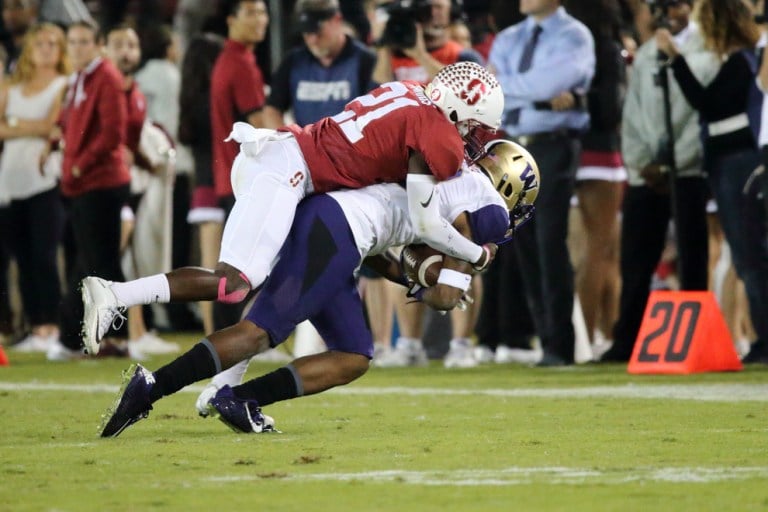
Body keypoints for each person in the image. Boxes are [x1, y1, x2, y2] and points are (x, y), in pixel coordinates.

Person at [97, 139, 540, 437]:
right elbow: (445, 297)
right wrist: (461, 270)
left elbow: (387, 249)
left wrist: (412, 273)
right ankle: (151, 387)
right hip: (338, 229)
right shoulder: (489, 212)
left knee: (353, 353)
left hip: (338, 225)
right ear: (509, 184)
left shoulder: (451, 171)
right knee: (259, 331)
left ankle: (240, 398)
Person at [80, 60, 505, 357]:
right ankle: (114, 295)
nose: (471, 136)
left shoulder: (412, 93)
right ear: (456, 108)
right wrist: (475, 254)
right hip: (287, 171)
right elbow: (425, 220)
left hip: (289, 166)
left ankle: (223, 388)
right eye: (472, 124)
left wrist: (409, 272)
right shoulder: (437, 133)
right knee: (236, 282)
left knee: (264, 282)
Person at [600, 0, 719, 362]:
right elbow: (632, 114)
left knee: (692, 255)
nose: (671, 11)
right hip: (647, 174)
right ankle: (627, 340)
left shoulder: (709, 49)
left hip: (686, 172)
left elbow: (699, 113)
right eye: (664, 5)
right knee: (635, 258)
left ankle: (694, 339)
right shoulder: (649, 53)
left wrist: (678, 163)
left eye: (679, 3)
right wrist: (642, 164)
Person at [657, 0, 768, 364]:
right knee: (743, 253)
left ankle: (763, 340)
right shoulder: (743, 60)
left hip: (736, 163)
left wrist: (675, 59)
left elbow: (705, 103)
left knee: (748, 253)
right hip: (731, 162)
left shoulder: (742, 62)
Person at [488, 0, 595, 366]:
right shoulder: (508, 37)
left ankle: (560, 344)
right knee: (527, 246)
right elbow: (490, 92)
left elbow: (549, 82)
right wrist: (534, 93)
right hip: (513, 148)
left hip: (553, 145)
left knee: (550, 243)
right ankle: (545, 337)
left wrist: (511, 86)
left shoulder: (574, 35)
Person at [44, 20, 131, 360]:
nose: (77, 48)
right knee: (91, 262)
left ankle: (106, 338)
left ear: (97, 45)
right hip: (84, 184)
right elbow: (70, 120)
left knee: (99, 264)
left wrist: (80, 163)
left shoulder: (105, 77)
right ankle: (87, 338)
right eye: (73, 42)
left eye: (83, 42)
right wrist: (53, 139)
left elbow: (112, 134)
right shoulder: (81, 78)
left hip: (101, 183)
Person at [0, 22, 68, 352]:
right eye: (39, 42)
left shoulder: (63, 84)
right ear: (28, 48)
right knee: (22, 258)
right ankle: (33, 325)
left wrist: (13, 123)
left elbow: (52, 125)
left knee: (44, 255)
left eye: (52, 43)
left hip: (43, 180)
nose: (45, 48)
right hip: (10, 182)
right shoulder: (11, 87)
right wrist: (31, 127)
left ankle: (50, 325)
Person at [564, 0, 627, 351]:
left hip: (567, 150)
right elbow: (610, 109)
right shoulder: (605, 47)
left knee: (582, 252)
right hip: (601, 153)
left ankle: (593, 335)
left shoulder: (565, 43)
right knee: (600, 252)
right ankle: (588, 337)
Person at [209, 0, 270, 332]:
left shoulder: (230, 59)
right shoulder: (241, 64)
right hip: (245, 180)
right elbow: (260, 127)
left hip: (230, 177)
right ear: (231, 19)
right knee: (247, 267)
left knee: (238, 266)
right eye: (251, 12)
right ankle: (231, 337)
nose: (260, 19)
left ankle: (229, 335)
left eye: (262, 11)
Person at [262, 0, 377, 129]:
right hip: (305, 147)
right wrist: (286, 142)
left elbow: (377, 113)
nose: (312, 40)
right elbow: (272, 109)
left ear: (337, 20)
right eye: (307, 32)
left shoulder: (365, 61)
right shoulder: (293, 61)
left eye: (318, 31)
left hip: (352, 146)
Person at [373, 0, 483, 84]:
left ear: (452, 11)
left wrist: (420, 56)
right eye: (426, 8)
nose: (432, 13)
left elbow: (467, 90)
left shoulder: (463, 56)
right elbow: (382, 86)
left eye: (438, 7)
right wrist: (384, 43)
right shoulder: (397, 53)